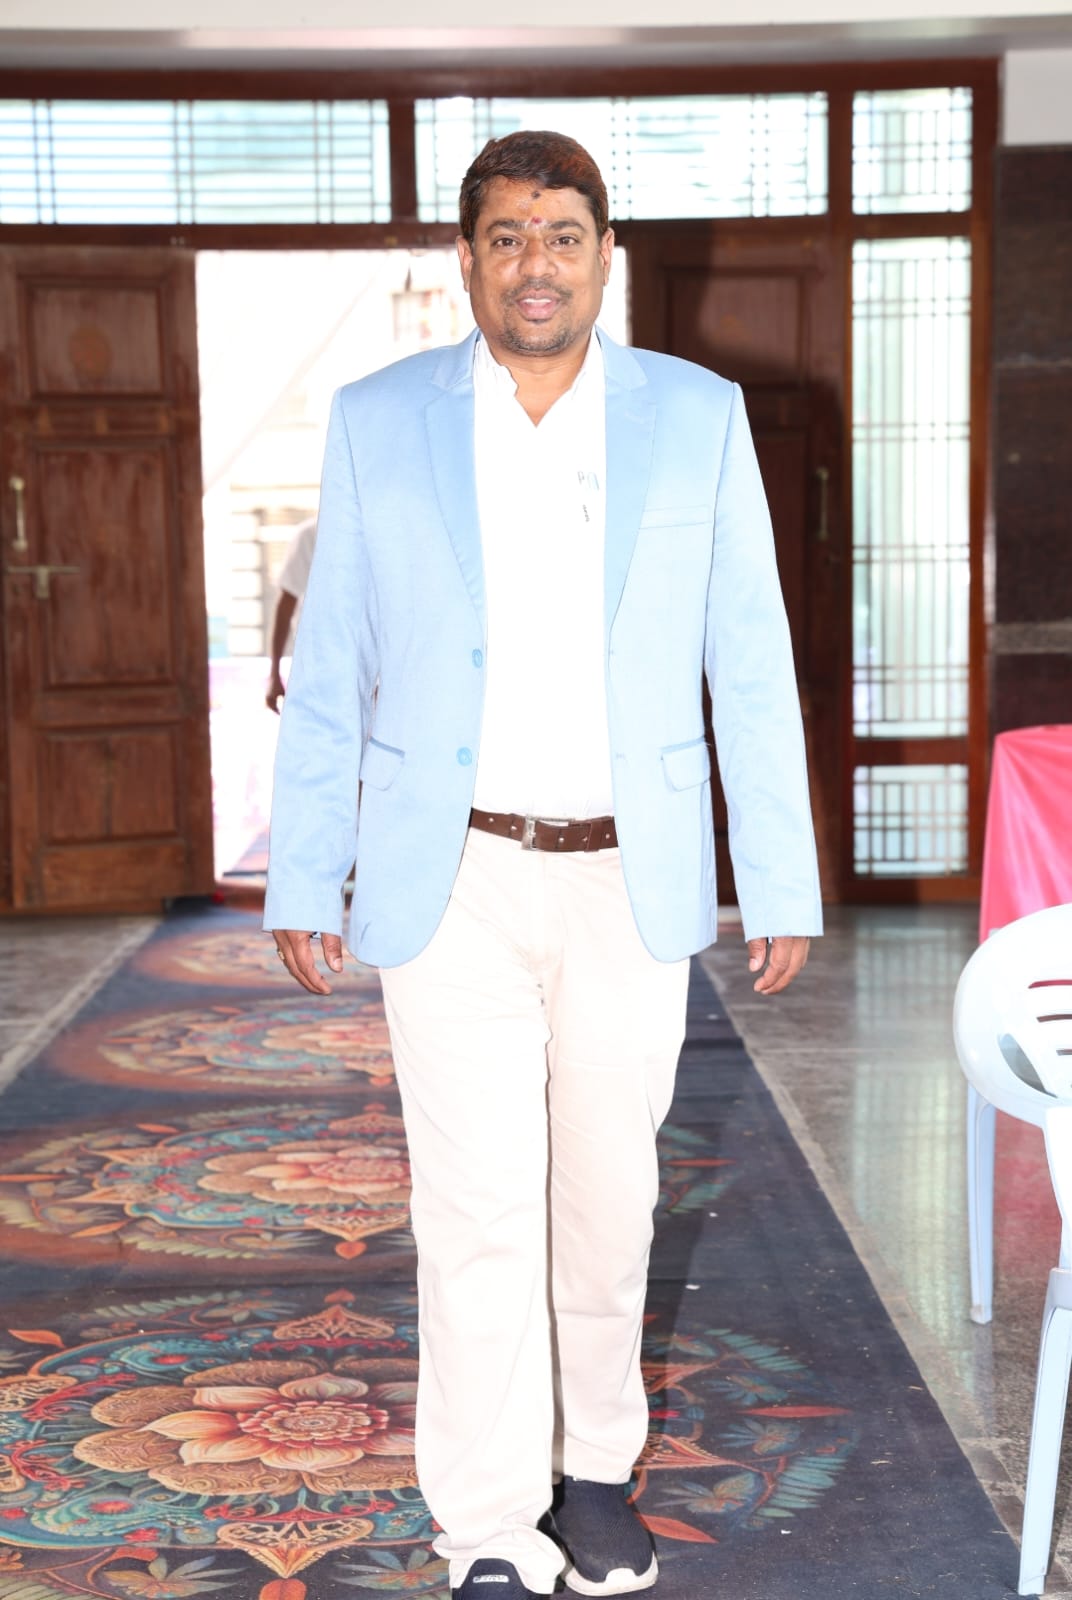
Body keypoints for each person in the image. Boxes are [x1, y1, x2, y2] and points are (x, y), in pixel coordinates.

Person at [265, 130, 821, 1600]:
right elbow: (334, 661)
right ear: (467, 258)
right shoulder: (379, 419)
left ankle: (594, 1477)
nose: (536, 264)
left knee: (608, 1201)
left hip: (625, 877)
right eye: (506, 235)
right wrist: (305, 870)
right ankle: (490, 1523)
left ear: (604, 256)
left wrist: (778, 874)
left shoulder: (694, 416)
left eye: (563, 235)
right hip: (446, 874)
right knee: (477, 1210)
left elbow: (749, 656)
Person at [265, 515, 317, 712]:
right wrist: (274, 674)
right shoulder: (310, 534)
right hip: (315, 664)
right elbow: (286, 605)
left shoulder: (375, 532)